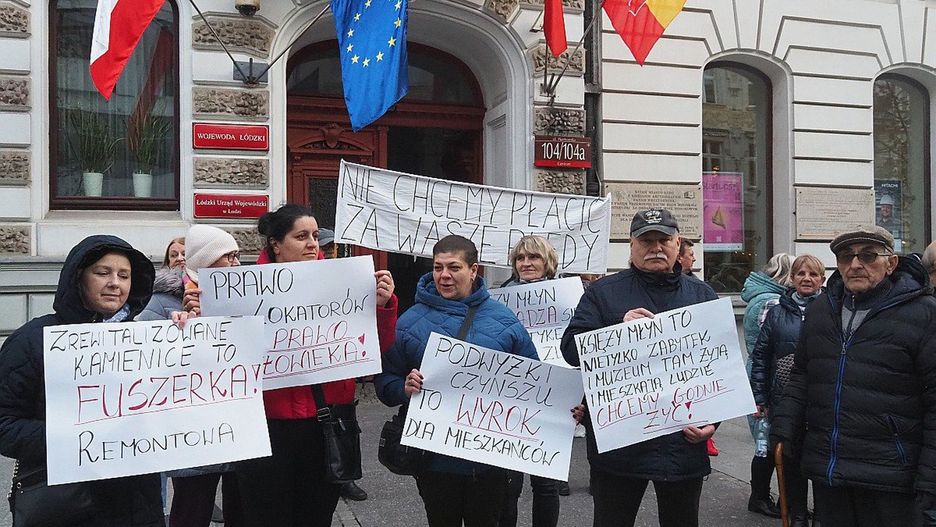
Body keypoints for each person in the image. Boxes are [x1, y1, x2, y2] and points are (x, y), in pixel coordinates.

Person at [185, 204, 397, 527]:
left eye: (314, 235)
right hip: (263, 430)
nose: (313, 242)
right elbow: (214, 362)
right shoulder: (239, 290)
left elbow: (371, 354)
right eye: (301, 236)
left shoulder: (344, 286)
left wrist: (380, 308)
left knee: (315, 517)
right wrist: (200, 322)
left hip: (323, 427)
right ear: (276, 245)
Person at [376, 235, 566, 527]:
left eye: (454, 267)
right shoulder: (410, 322)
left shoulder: (505, 322)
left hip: (490, 464)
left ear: (473, 270)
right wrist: (403, 387)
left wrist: (566, 411)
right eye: (438, 268)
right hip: (433, 460)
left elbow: (536, 386)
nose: (444, 276)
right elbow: (385, 381)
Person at [560, 209, 719, 527]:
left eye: (663, 240)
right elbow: (570, 349)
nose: (656, 247)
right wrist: (617, 331)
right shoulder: (602, 294)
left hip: (682, 445)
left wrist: (713, 422)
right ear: (631, 246)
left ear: (677, 244)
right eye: (646, 240)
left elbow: (718, 369)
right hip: (620, 445)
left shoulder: (703, 296)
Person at [770, 226, 936, 527]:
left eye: (868, 255)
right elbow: (803, 375)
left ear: (891, 263)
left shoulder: (924, 313)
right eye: (846, 256)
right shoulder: (822, 310)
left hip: (891, 476)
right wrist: (784, 425)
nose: (855, 264)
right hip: (830, 471)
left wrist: (929, 479)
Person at [0, 235, 163, 526]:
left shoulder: (147, 342)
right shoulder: (32, 340)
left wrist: (188, 336)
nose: (115, 282)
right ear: (78, 278)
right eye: (103, 273)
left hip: (137, 504)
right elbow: (5, 425)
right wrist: (78, 435)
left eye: (124, 275)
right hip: (64, 504)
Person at [142, 225, 244, 527]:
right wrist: (182, 331)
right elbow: (144, 362)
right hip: (192, 431)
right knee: (191, 510)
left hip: (235, 422)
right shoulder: (162, 302)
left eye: (237, 256)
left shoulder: (243, 296)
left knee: (241, 509)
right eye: (229, 257)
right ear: (206, 260)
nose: (237, 264)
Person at [749, 254, 825, 526]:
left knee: (817, 457)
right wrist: (759, 396)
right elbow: (761, 356)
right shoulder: (777, 312)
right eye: (801, 273)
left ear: (822, 280)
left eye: (813, 274)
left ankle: (823, 514)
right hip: (784, 398)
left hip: (820, 399)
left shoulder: (831, 309)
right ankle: (798, 513)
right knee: (790, 458)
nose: (807, 279)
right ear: (792, 279)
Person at [498, 235, 565, 527]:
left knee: (547, 485)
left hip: (551, 398)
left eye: (533, 257)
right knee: (508, 485)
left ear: (547, 262)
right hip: (510, 398)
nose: (526, 263)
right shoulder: (499, 297)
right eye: (520, 258)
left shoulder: (568, 297)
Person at [741, 252, 793, 518]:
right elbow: (771, 346)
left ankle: (760, 495)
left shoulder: (761, 297)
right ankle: (759, 496)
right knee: (767, 441)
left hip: (763, 374)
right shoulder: (771, 302)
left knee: (766, 439)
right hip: (769, 377)